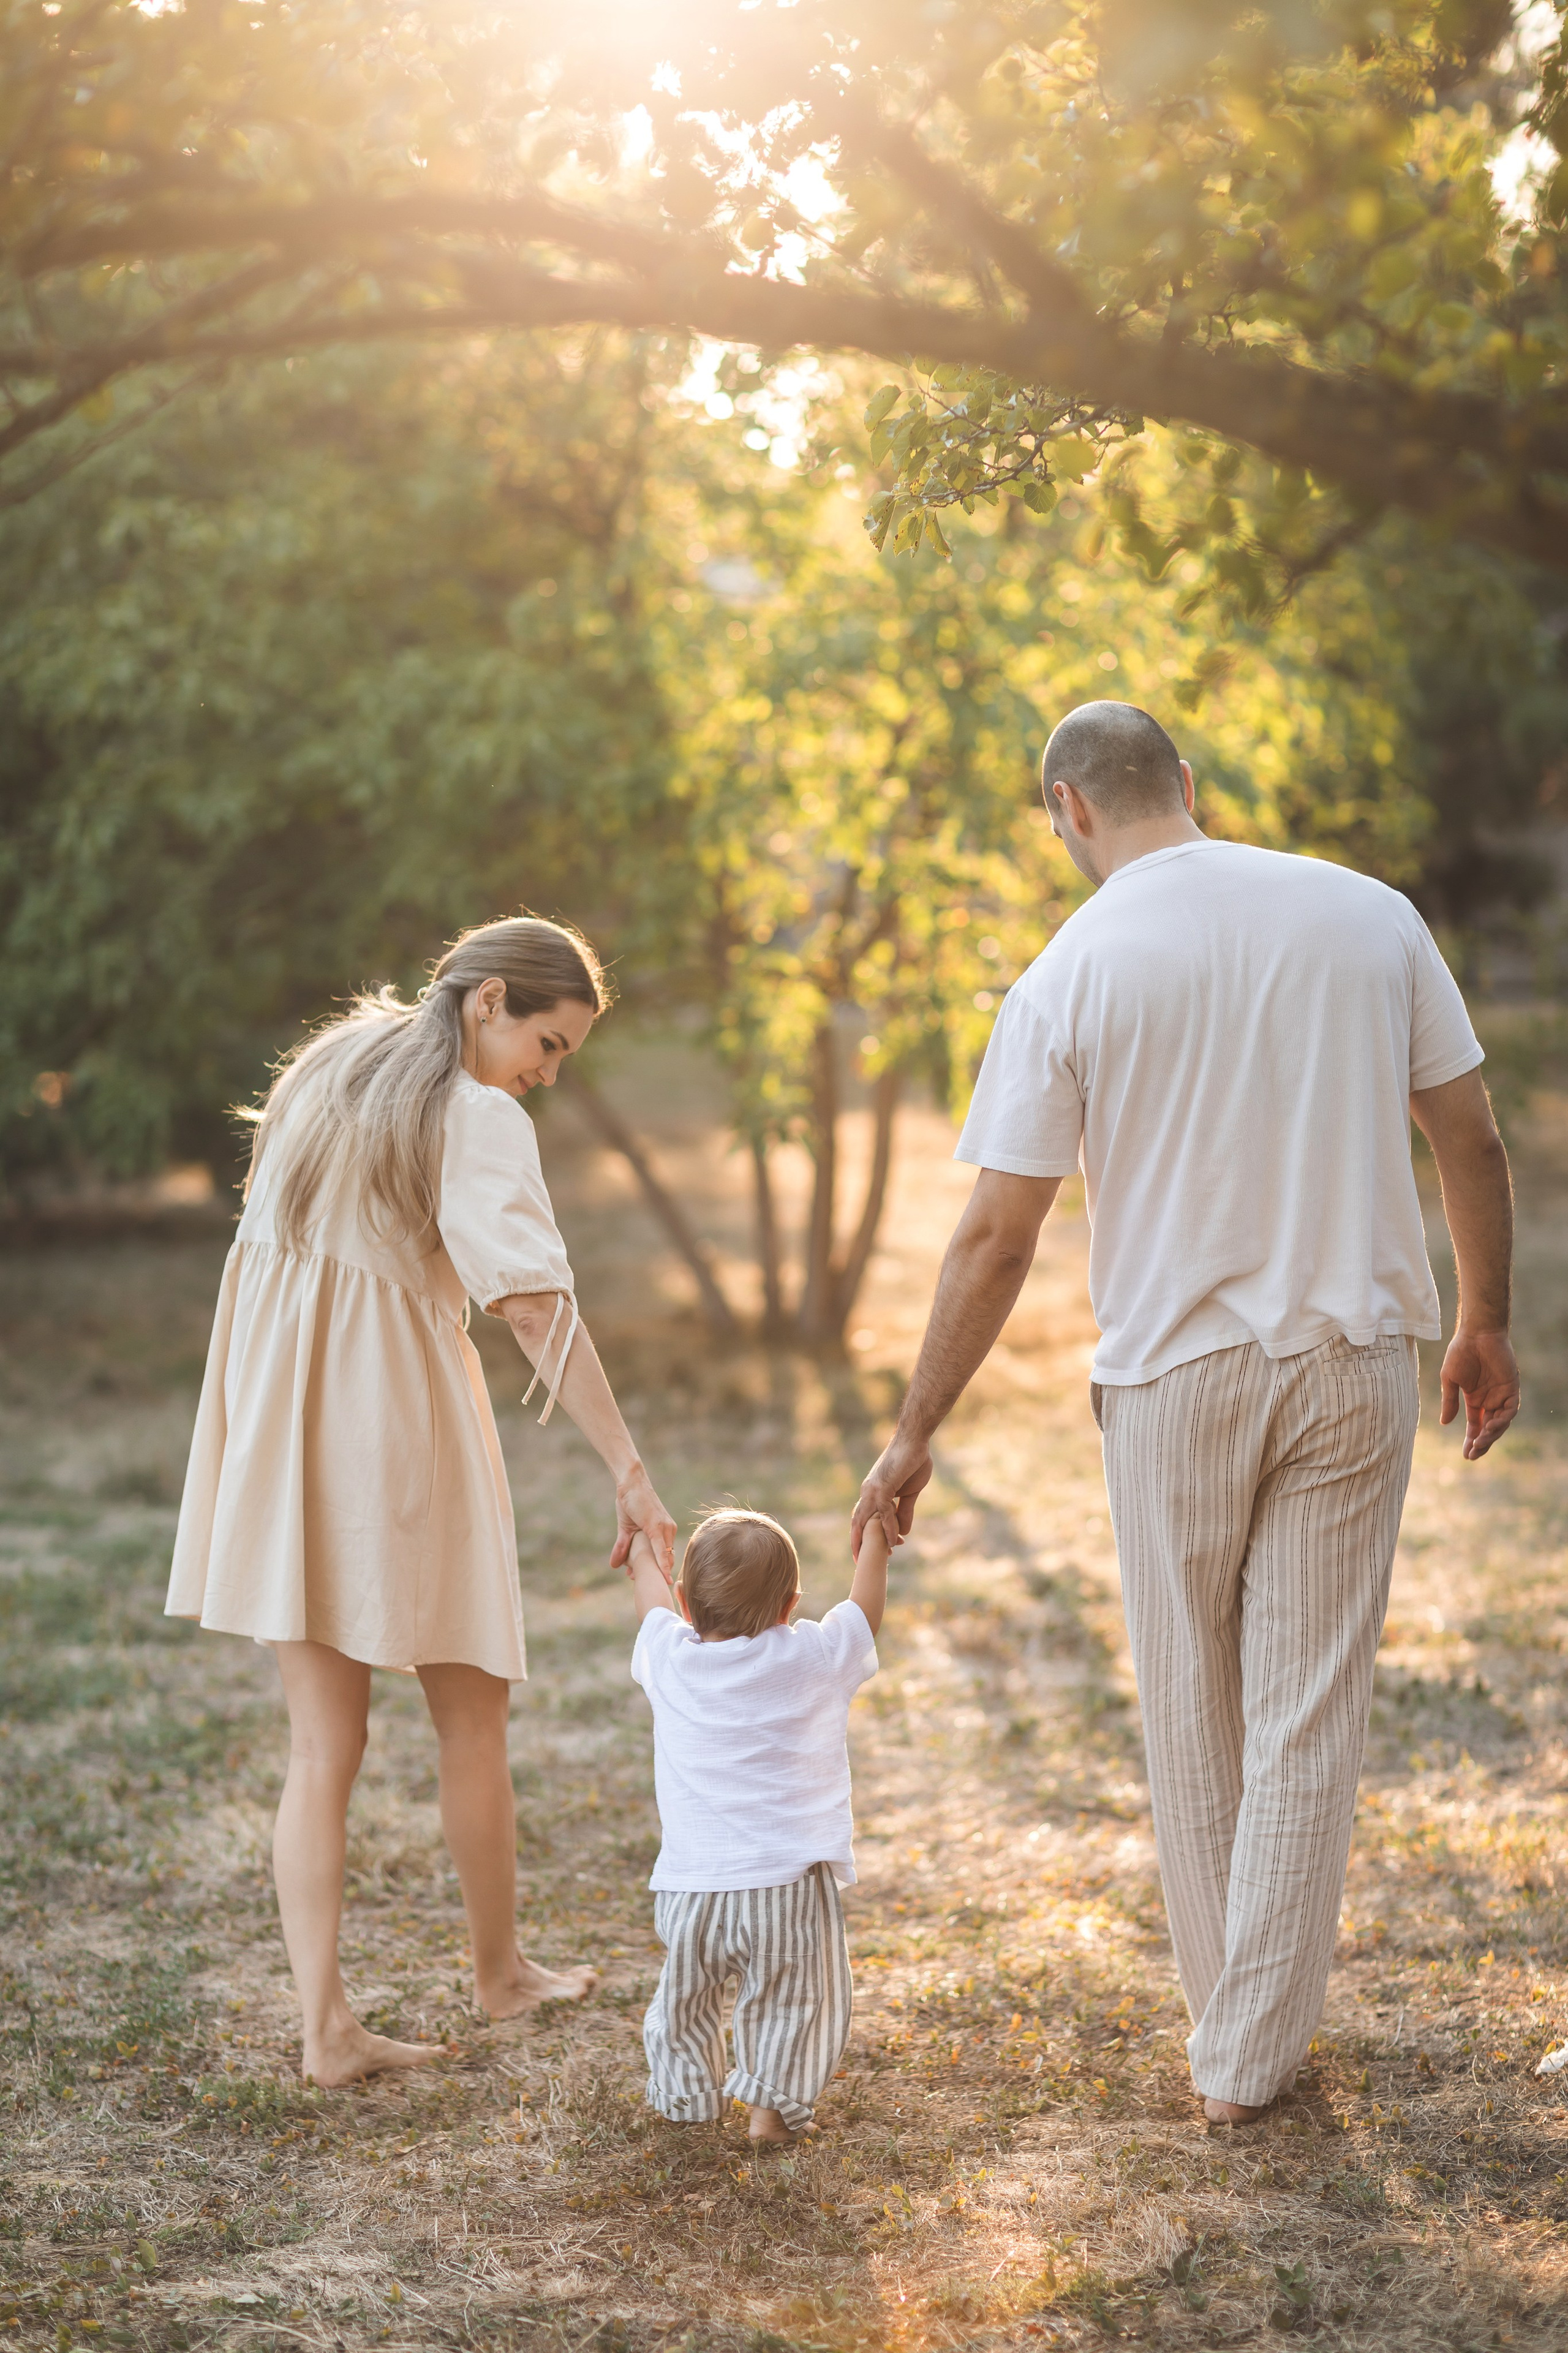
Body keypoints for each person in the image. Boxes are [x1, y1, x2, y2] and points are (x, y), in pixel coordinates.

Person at [853, 701, 1520, 2126]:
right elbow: (1466, 1133)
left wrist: (912, 1429)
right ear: (1186, 783)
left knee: (1193, 1711)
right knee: (1303, 1711)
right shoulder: (1367, 915)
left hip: (1170, 1384)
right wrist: (1483, 1319)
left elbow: (995, 1237)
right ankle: (1242, 2048)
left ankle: (1237, 2051)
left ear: (1066, 807)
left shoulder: (1066, 970)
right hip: (1352, 1357)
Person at [167, 915, 677, 2088]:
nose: (547, 1075)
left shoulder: (326, 1066)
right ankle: (500, 1976)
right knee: (471, 1710)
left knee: (320, 1743)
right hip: (392, 1417)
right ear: (488, 1000)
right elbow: (534, 1305)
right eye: (548, 1045)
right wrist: (629, 1467)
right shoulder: (472, 1112)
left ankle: (326, 2028)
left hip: (282, 1420)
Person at [624, 1507, 889, 2147]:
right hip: (786, 1889)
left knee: (684, 1998)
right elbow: (864, 1611)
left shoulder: (669, 1656)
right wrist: (877, 1537)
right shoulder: (812, 1656)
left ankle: (685, 2098)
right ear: (790, 1605)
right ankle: (770, 2112)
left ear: (686, 1602)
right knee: (793, 2000)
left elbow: (648, 1598)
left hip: (690, 1889)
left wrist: (637, 1548)